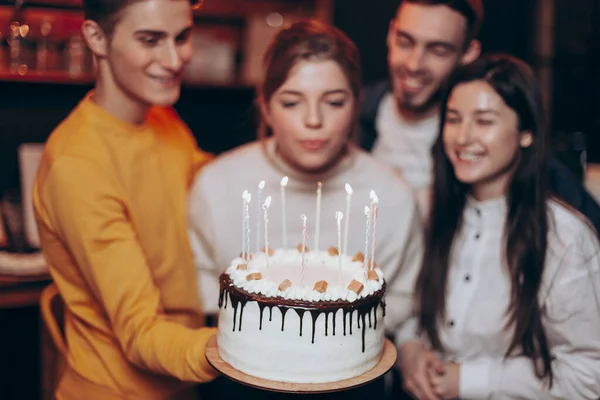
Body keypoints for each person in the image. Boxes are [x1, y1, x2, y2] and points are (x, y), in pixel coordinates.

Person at [188, 18, 422, 356]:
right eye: (292, 102)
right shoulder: (216, 185)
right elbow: (200, 283)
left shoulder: (391, 196)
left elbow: (403, 297)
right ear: (266, 107)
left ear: (356, 104)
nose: (313, 120)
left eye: (334, 102)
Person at [32, 0, 219, 398]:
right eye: (150, 40)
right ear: (96, 38)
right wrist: (240, 349)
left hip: (183, 380)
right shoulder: (78, 165)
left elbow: (205, 178)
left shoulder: (161, 119)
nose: (174, 59)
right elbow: (139, 332)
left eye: (182, 37)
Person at [397, 54, 600, 400]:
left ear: (526, 132)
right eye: (454, 119)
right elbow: (411, 309)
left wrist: (472, 380)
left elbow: (589, 374)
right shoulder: (429, 210)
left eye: (484, 121)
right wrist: (410, 348)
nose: (463, 137)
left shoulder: (564, 238)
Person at [358, 0, 600, 230]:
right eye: (405, 42)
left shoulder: (485, 140)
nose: (413, 64)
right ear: (391, 34)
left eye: (438, 50)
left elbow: (585, 227)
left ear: (468, 53)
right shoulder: (352, 115)